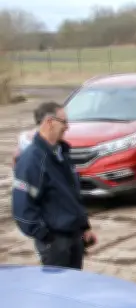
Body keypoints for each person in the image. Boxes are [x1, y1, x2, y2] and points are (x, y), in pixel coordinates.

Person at [12, 102, 96, 269]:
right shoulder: (32, 160)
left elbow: (72, 196)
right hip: (55, 244)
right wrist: (46, 236)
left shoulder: (62, 154)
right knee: (58, 285)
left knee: (75, 284)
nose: (67, 127)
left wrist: (84, 226)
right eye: (64, 122)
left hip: (74, 238)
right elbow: (22, 208)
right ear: (49, 122)